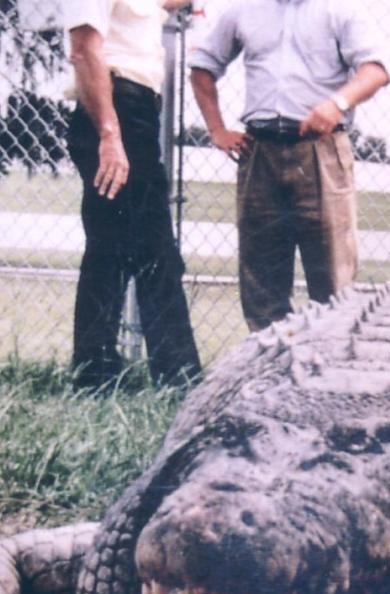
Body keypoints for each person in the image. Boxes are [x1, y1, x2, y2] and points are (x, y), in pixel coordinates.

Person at [189, 0, 390, 332]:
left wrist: (337, 103)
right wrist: (217, 130)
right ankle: (268, 372)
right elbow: (202, 67)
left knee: (333, 282)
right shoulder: (243, 10)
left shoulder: (340, 10)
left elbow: (376, 70)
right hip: (260, 151)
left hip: (320, 151)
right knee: (262, 284)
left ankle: (330, 377)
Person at [65, 0, 202, 391]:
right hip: (114, 112)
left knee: (110, 252)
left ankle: (95, 376)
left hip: (134, 110)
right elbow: (84, 49)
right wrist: (110, 136)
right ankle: (179, 380)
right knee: (156, 253)